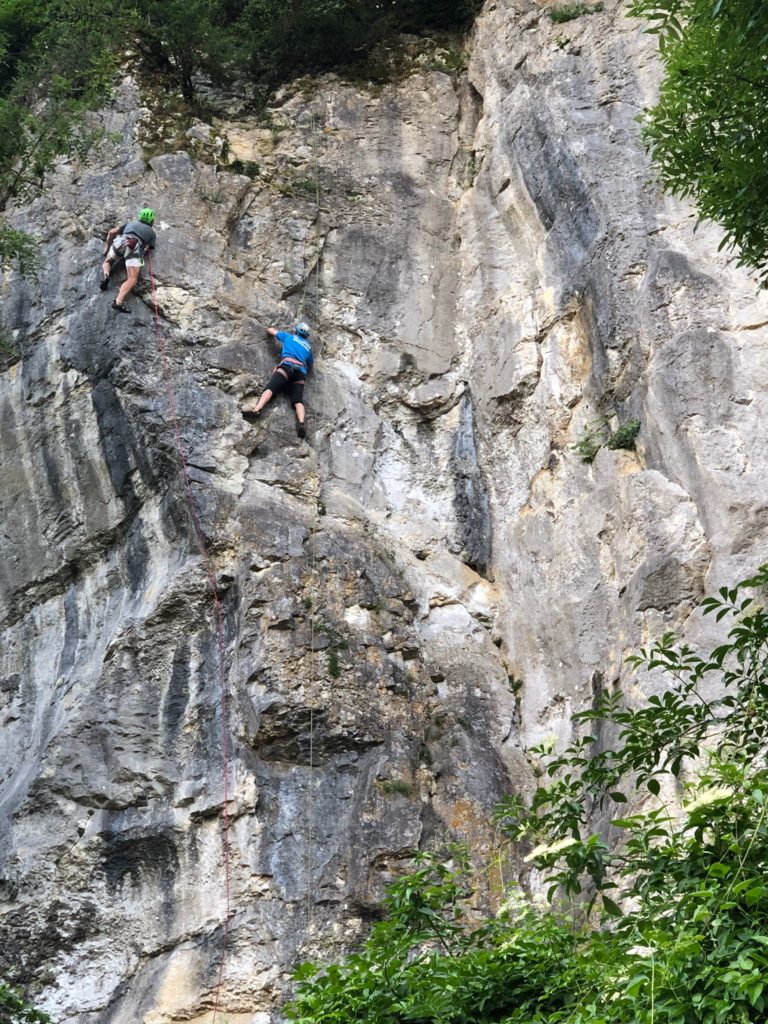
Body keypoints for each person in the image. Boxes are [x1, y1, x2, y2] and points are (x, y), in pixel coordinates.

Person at [242, 322, 314, 438]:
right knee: (298, 400)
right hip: (300, 372)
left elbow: (270, 331)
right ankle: (301, 424)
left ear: (296, 330)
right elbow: (310, 364)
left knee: (271, 388)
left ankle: (257, 409)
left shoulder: (289, 337)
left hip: (287, 366)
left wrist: (269, 327)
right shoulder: (308, 347)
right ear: (306, 335)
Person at [100, 208, 157, 313]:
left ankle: (106, 275)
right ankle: (118, 301)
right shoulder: (152, 233)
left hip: (121, 242)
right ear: (152, 220)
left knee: (107, 262)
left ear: (140, 216)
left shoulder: (131, 223)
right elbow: (147, 248)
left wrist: (107, 248)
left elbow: (112, 232)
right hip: (133, 248)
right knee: (132, 279)